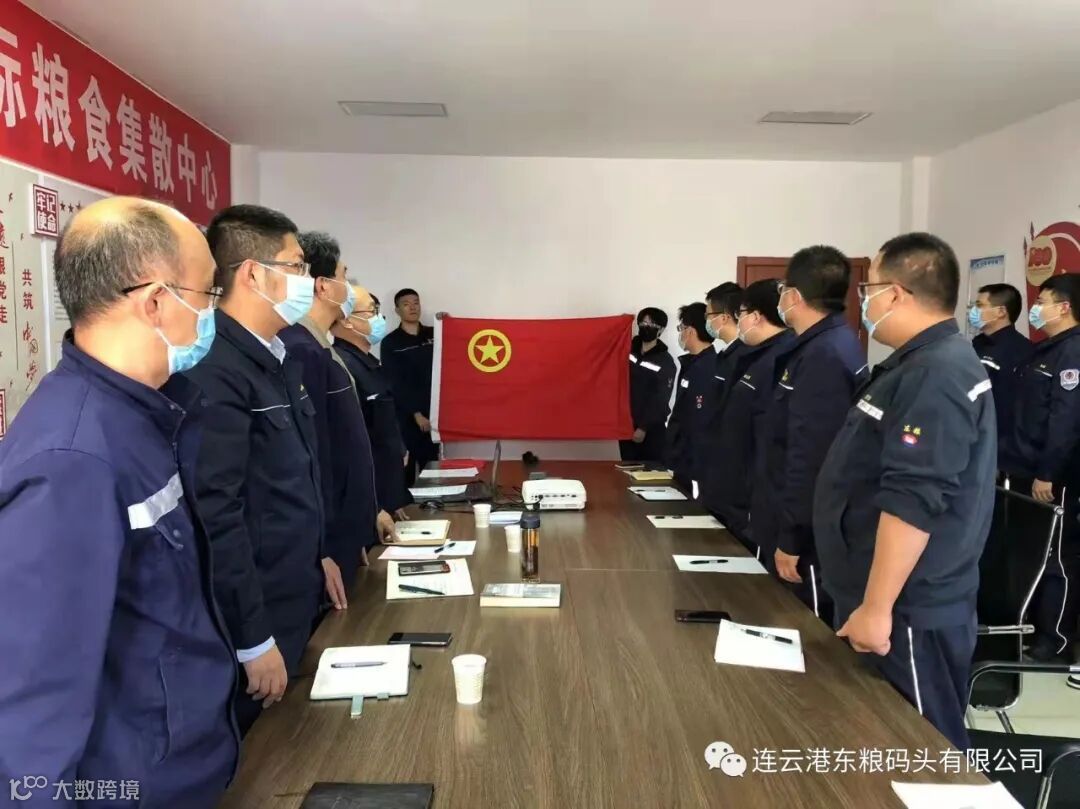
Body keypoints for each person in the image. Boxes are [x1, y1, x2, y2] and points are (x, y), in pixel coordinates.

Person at [0, 198, 237, 804]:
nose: (213, 313)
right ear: (156, 301)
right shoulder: (72, 459)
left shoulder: (144, 413)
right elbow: (32, 708)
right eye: (208, 294)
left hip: (185, 765)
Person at [814, 233, 995, 749]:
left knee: (921, 750)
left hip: (907, 609)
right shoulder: (914, 364)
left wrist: (877, 609)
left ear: (894, 293)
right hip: (883, 597)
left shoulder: (937, 372)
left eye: (867, 288)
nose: (863, 301)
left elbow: (913, 500)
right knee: (879, 745)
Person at [183, 205, 329, 736]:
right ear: (252, 273)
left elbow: (293, 478)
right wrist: (252, 637)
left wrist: (320, 556)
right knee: (264, 757)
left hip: (296, 592)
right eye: (296, 266)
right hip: (258, 614)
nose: (307, 281)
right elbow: (217, 511)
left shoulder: (277, 357)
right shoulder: (216, 366)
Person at [281, 233, 397, 597]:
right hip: (330, 539)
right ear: (323, 286)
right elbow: (317, 452)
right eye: (344, 276)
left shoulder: (321, 346)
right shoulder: (301, 350)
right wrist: (325, 548)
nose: (349, 286)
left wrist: (366, 515)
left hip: (349, 529)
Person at [766, 246, 867, 622]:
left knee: (805, 623)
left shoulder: (824, 354)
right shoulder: (824, 343)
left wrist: (792, 535)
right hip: (810, 518)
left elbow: (810, 453)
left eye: (782, 290)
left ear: (794, 295)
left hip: (812, 530)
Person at [999, 273, 1080, 669]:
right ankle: (1030, 627)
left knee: (1057, 558)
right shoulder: (1044, 350)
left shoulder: (1073, 352)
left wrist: (1048, 472)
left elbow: (1066, 421)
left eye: (1042, 301)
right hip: (1023, 470)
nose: (1036, 308)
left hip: (1053, 478)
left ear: (1063, 307)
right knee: (1029, 553)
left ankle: (1056, 640)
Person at [700, 281, 794, 550]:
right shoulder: (754, 355)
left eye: (740, 314)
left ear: (755, 316)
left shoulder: (781, 358)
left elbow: (770, 438)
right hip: (731, 488)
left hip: (752, 498)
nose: (738, 321)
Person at [333, 290, 412, 517]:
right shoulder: (341, 365)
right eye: (372, 311)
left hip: (387, 493)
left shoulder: (368, 363)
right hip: (368, 500)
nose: (380, 318)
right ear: (346, 320)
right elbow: (350, 441)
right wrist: (375, 508)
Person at [693, 283, 745, 503]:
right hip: (712, 460)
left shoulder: (743, 357)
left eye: (708, 315)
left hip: (730, 468)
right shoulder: (725, 355)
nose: (707, 322)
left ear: (724, 318)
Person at [382, 288, 439, 484]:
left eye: (416, 303)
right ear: (397, 310)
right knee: (405, 470)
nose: (413, 307)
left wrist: (446, 323)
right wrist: (416, 413)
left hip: (434, 415)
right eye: (406, 304)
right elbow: (394, 382)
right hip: (407, 417)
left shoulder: (434, 334)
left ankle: (432, 501)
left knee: (432, 469)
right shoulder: (391, 342)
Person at [969, 283, 1032, 455]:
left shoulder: (1020, 350)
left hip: (997, 443)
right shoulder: (977, 343)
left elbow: (1011, 404)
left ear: (1001, 312)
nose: (973, 311)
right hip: (969, 432)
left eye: (980, 305)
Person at [666, 302, 716, 490]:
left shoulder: (708, 368)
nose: (680, 333)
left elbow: (699, 420)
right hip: (682, 456)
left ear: (691, 331)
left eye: (681, 328)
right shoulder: (692, 364)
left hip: (694, 461)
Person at [622, 307, 677, 463]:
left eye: (652, 324)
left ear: (661, 329)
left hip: (650, 430)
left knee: (649, 472)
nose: (646, 326)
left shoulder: (665, 361)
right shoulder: (627, 350)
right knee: (626, 469)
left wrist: (643, 427)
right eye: (643, 322)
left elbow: (661, 399)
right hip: (626, 426)